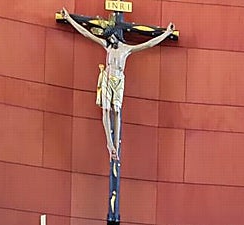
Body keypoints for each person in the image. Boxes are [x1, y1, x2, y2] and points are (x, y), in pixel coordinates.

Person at [59, 8, 176, 161]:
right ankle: (110, 145)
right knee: (106, 110)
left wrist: (166, 33)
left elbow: (148, 44)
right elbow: (86, 33)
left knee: (117, 111)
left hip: (119, 80)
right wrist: (68, 18)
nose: (110, 38)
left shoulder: (126, 49)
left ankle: (116, 145)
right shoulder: (106, 46)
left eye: (111, 35)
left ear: (115, 34)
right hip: (108, 77)